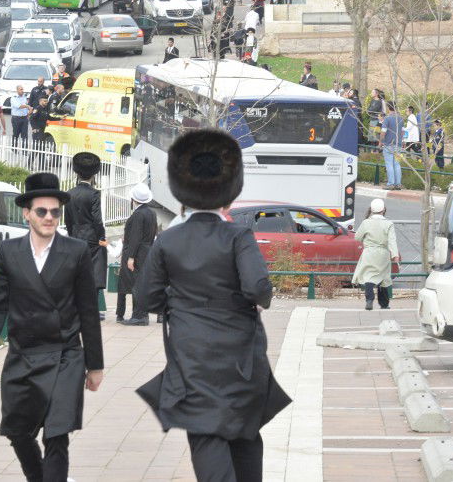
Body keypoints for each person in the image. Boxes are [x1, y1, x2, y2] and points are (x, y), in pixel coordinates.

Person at [135, 129, 291, 481]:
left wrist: (182, 306)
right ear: (229, 197)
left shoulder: (168, 240)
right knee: (245, 432)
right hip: (240, 354)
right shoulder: (238, 236)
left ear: (184, 196)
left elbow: (147, 298)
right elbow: (257, 287)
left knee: (206, 433)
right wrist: (256, 301)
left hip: (191, 352)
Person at [0, 172, 104, 482]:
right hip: (23, 356)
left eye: (55, 211)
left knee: (57, 435)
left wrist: (95, 365)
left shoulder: (76, 251)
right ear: (27, 213)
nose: (49, 217)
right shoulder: (9, 252)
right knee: (17, 431)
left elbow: (88, 311)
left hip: (65, 355)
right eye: (42, 211)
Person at [65, 152, 109, 319]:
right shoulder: (94, 194)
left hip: (75, 236)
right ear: (94, 174)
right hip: (92, 238)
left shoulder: (69, 193)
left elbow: (68, 219)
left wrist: (72, 234)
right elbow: (97, 219)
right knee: (95, 274)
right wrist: (102, 236)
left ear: (77, 172)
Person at [116, 183, 157, 326]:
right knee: (141, 282)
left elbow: (135, 237)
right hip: (147, 251)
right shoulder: (151, 213)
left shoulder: (138, 214)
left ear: (134, 199)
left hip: (137, 253)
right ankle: (141, 314)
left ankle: (139, 315)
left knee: (134, 283)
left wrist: (131, 257)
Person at [352, 198, 401, 311]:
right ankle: (384, 304)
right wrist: (395, 255)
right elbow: (392, 240)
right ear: (383, 210)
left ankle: (369, 300)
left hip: (369, 253)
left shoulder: (366, 222)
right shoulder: (389, 224)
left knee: (369, 276)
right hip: (383, 253)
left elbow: (357, 237)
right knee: (383, 278)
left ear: (371, 209)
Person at [381, 102, 403, 190]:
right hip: (398, 144)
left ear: (388, 108)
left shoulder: (387, 118)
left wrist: (381, 142)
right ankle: (398, 184)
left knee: (389, 164)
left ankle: (391, 184)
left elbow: (383, 132)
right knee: (397, 164)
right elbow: (402, 132)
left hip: (388, 144)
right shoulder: (401, 118)